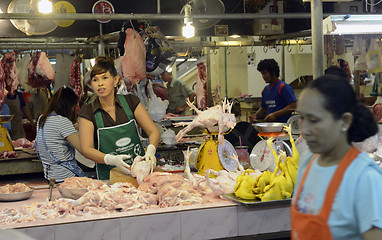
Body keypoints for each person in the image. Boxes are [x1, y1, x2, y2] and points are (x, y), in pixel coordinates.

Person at [292, 75, 382, 240]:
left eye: (314, 120)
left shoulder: (365, 178)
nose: (305, 130)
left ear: (345, 121)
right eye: (302, 118)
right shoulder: (307, 164)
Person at [78, 56, 160, 180]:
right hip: (109, 178)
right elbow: (86, 149)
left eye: (105, 78)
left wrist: (151, 150)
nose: (100, 83)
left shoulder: (131, 102)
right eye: (95, 80)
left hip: (140, 172)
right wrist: (110, 159)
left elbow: (153, 131)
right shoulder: (87, 112)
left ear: (116, 80)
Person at [35, 87, 86, 183]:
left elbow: (55, 134)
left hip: (50, 176)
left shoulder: (42, 119)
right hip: (66, 177)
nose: (72, 110)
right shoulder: (63, 121)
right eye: (73, 106)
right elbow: (83, 149)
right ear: (67, 105)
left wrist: (74, 127)